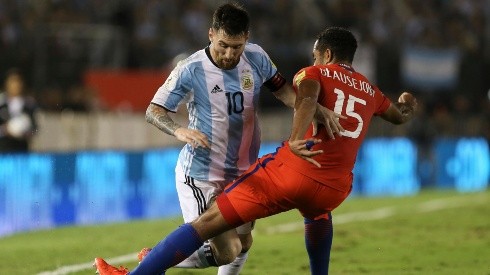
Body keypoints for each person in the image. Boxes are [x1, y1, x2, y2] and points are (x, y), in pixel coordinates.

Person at [94, 26, 417, 275]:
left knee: (209, 223)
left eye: (316, 55)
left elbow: (304, 98)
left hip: (293, 171)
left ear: (326, 53)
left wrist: (293, 139)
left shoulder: (314, 73)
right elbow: (399, 118)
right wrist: (406, 103)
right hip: (336, 187)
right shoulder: (371, 91)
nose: (314, 59)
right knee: (315, 215)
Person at [129, 3, 343, 275]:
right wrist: (178, 130)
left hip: (244, 171)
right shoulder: (190, 68)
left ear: (247, 38)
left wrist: (310, 107)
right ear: (210, 34)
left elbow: (283, 91)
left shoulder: (256, 57)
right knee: (226, 250)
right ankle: (152, 261)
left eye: (236, 46)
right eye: (223, 45)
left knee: (244, 242)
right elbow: (153, 110)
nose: (229, 54)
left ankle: (155, 260)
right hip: (202, 174)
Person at [0, 68, 38, 153]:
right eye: (12, 81)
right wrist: (5, 130)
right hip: (3, 152)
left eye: (18, 81)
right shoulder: (1, 103)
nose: (15, 85)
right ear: (6, 83)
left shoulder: (29, 105)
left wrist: (26, 132)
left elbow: (35, 129)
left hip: (21, 153)